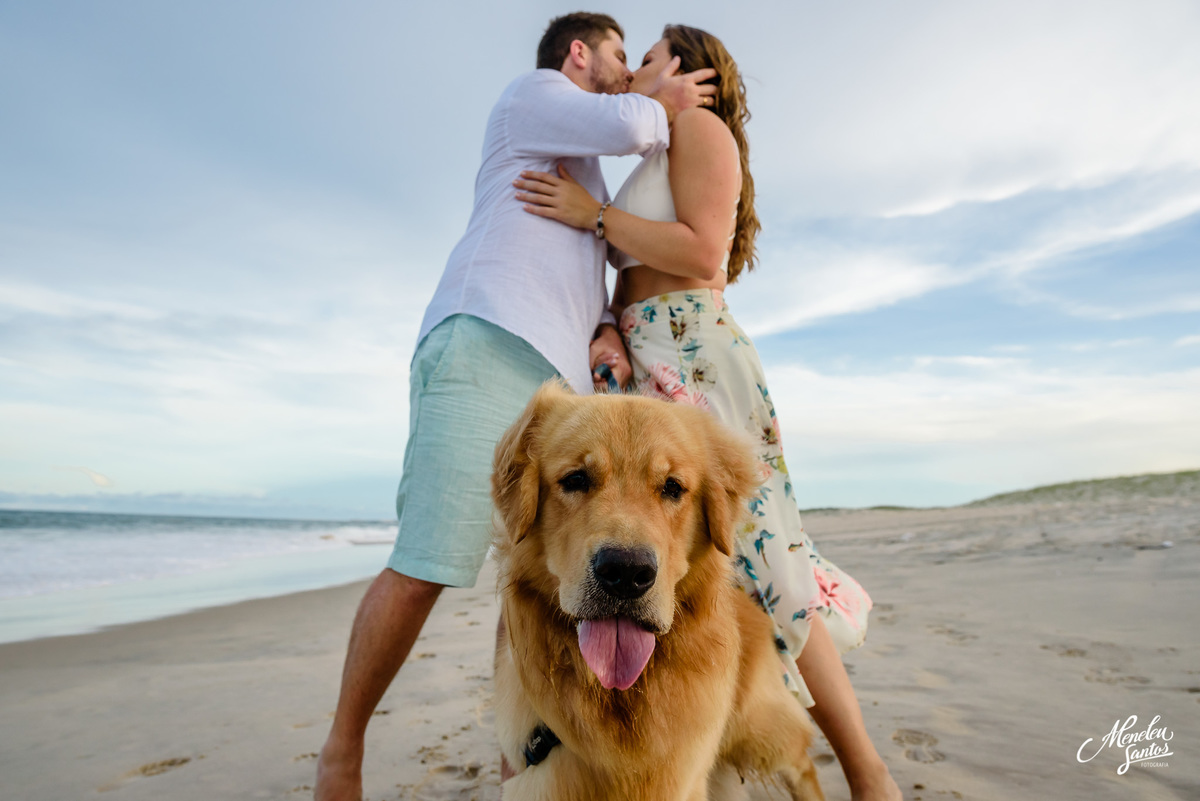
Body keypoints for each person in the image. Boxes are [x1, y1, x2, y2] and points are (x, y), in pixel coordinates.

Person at [314, 13, 717, 801]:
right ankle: (341, 752)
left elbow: (583, 272)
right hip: (486, 339)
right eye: (617, 56)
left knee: (531, 580)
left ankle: (516, 766)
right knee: (429, 561)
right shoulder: (530, 96)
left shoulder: (583, 175)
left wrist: (603, 329)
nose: (630, 70)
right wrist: (662, 95)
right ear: (578, 54)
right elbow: (636, 121)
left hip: (551, 380)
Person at [513, 25, 903, 801]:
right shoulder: (656, 148)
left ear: (686, 68)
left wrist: (592, 214)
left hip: (696, 357)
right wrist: (606, 326)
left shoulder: (702, 127)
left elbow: (703, 255)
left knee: (768, 565)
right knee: (705, 576)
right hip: (647, 356)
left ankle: (869, 775)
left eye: (647, 57)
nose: (633, 71)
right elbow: (636, 273)